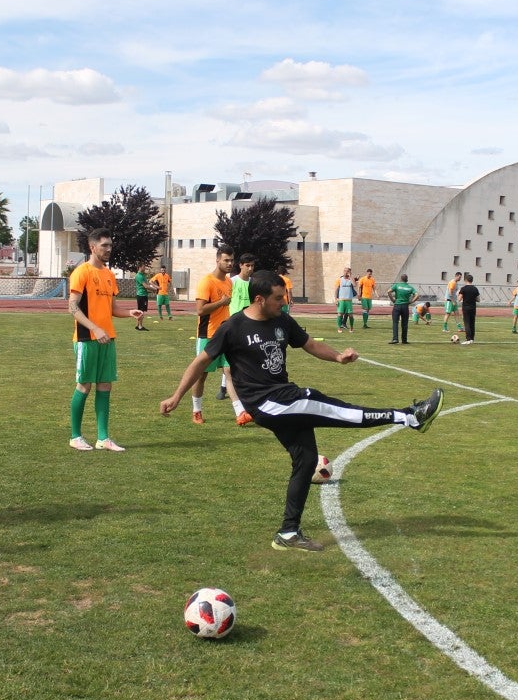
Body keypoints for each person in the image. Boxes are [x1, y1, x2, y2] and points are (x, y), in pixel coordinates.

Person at [160, 270, 444, 552]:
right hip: (267, 403)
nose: (283, 302)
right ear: (258, 299)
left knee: (306, 460)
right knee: (336, 409)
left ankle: (288, 532)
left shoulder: (281, 320)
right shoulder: (233, 327)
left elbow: (308, 344)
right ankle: (410, 416)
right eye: (277, 298)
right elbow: (200, 362)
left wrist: (337, 357)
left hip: (283, 398)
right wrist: (176, 396)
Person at [66, 228, 145, 451]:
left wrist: (129, 313)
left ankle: (103, 438)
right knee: (84, 385)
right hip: (86, 338)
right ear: (93, 247)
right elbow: (72, 307)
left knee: (105, 385)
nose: (109, 249)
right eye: (105, 246)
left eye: (110, 245)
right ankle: (75, 436)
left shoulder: (110, 276)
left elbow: (112, 309)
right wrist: (95, 329)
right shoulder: (81, 272)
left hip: (107, 338)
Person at [191, 246, 239, 424]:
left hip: (225, 335)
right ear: (217, 260)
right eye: (226, 260)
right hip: (207, 335)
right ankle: (196, 410)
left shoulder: (229, 282)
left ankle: (240, 412)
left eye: (231, 260)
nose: (229, 263)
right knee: (201, 374)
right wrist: (221, 302)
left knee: (229, 371)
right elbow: (200, 310)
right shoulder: (207, 282)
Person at [218, 253, 256, 425]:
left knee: (246, 369)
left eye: (252, 266)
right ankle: (238, 408)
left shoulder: (254, 284)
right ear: (240, 265)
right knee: (228, 370)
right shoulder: (231, 282)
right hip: (232, 329)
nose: (250, 268)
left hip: (250, 330)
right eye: (247, 265)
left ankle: (246, 403)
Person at [387, 274, 417, 344]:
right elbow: (417, 295)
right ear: (407, 280)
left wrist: (393, 300)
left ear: (401, 279)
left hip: (397, 305)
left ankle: (395, 339)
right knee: (405, 323)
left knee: (395, 322)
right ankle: (404, 340)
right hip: (405, 306)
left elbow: (389, 291)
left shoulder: (397, 285)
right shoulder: (410, 287)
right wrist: (411, 301)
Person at [458, 272, 479, 344]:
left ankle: (468, 339)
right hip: (473, 308)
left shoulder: (463, 289)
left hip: (466, 308)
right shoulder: (475, 289)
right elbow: (478, 300)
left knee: (466, 323)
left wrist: (459, 293)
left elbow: (459, 299)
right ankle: (472, 339)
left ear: (465, 280)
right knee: (472, 323)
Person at [334, 267, 356, 332]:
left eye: (347, 271)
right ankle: (339, 328)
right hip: (341, 300)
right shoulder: (339, 280)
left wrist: (351, 276)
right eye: (345, 271)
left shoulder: (351, 280)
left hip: (349, 300)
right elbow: (336, 290)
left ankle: (351, 328)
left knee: (350, 315)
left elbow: (354, 285)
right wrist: (336, 299)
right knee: (340, 314)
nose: (346, 272)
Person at [132, 266, 154, 331]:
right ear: (140, 267)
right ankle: (140, 326)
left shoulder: (142, 275)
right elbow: (146, 286)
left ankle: (138, 325)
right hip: (142, 296)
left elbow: (145, 288)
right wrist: (155, 289)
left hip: (143, 294)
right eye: (143, 267)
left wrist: (152, 291)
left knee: (140, 311)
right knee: (141, 311)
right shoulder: (139, 276)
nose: (145, 268)